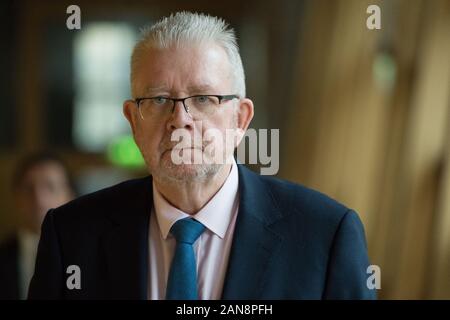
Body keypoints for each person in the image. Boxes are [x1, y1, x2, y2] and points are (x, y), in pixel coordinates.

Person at [28, 12, 376, 299]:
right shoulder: (71, 236)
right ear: (134, 122)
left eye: (203, 98)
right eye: (159, 100)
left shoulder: (325, 235)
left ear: (240, 119)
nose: (180, 120)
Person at [0, 152, 75, 299]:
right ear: (16, 197)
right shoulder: (3, 256)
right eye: (29, 189)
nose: (39, 199)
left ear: (70, 196)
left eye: (50, 187)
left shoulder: (88, 256)